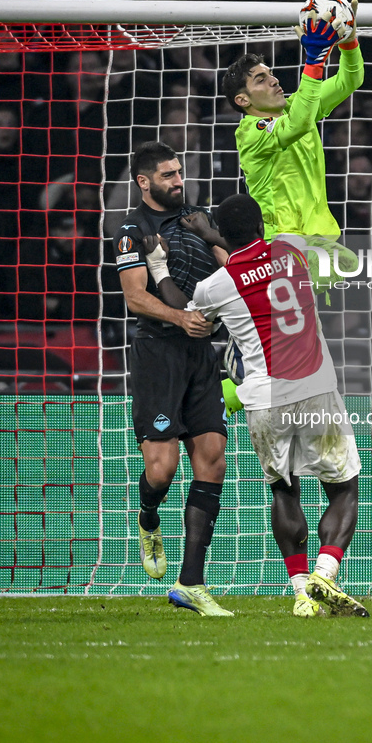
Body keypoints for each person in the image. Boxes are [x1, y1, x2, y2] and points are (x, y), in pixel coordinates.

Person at [172, 193, 369, 619]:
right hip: (316, 387)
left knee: (284, 487)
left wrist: (198, 243)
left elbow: (196, 322)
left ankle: (301, 593)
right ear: (262, 226)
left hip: (263, 400)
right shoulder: (294, 249)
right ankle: (324, 573)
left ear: (222, 234)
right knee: (344, 487)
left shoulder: (214, 286)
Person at [113, 140, 232, 617]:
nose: (178, 181)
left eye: (179, 172)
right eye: (167, 175)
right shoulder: (131, 230)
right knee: (162, 470)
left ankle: (191, 583)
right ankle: (147, 517)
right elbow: (135, 298)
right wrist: (180, 319)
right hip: (158, 353)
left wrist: (215, 237)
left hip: (203, 354)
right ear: (144, 182)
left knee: (213, 458)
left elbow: (237, 270)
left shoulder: (198, 218)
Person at [221, 0, 363, 289]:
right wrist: (314, 61)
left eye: (270, 73)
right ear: (242, 100)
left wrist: (348, 39)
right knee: (284, 332)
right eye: (261, 79)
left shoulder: (299, 105)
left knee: (312, 332)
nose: (273, 80)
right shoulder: (250, 132)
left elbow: (351, 79)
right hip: (277, 246)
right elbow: (297, 125)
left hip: (318, 242)